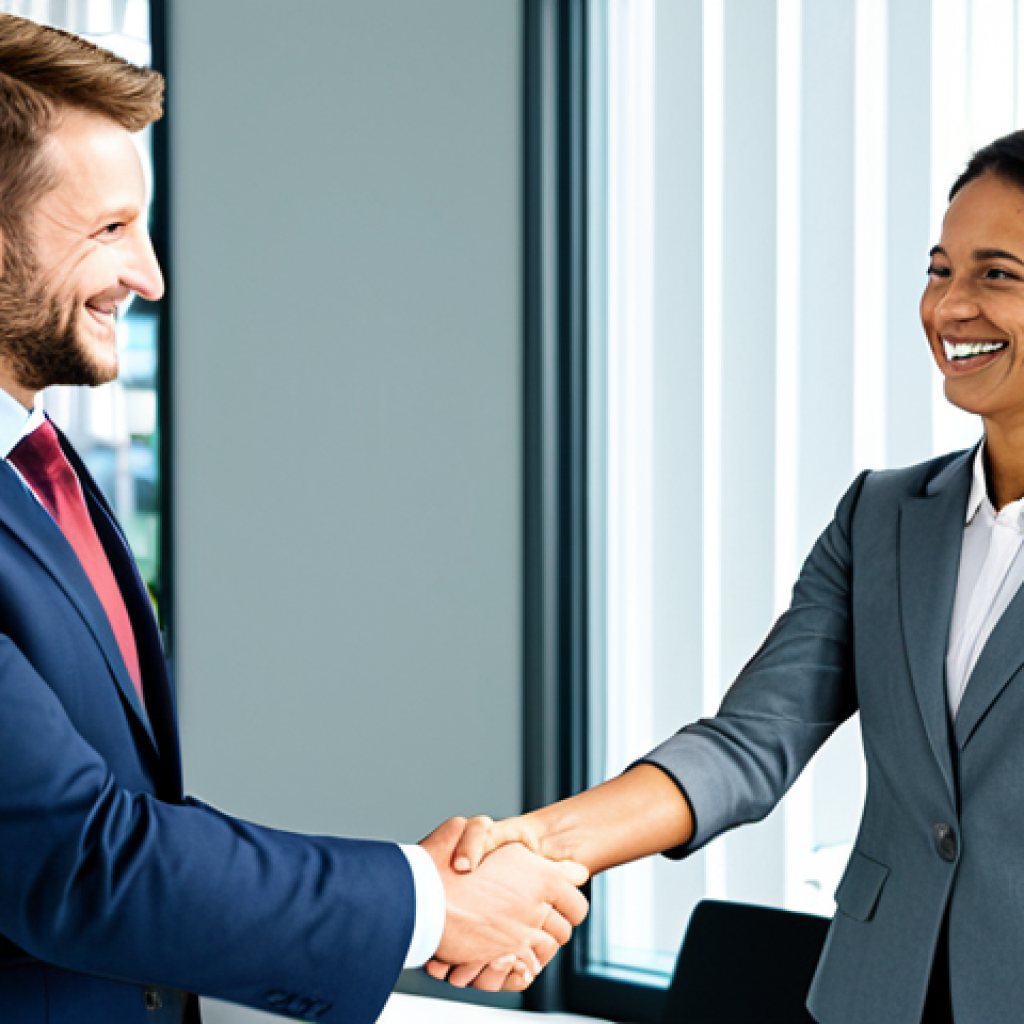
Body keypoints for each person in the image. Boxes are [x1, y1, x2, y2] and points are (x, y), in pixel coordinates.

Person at [0, 16, 589, 1024]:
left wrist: (416, 889)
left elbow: (126, 815)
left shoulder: (40, 467)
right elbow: (76, 858)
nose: (150, 276)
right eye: (109, 229)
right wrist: (426, 905)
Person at [438, 131, 1024, 1023]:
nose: (950, 306)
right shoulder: (883, 518)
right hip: (878, 995)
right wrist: (542, 841)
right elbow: (750, 743)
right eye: (939, 270)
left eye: (997, 274)